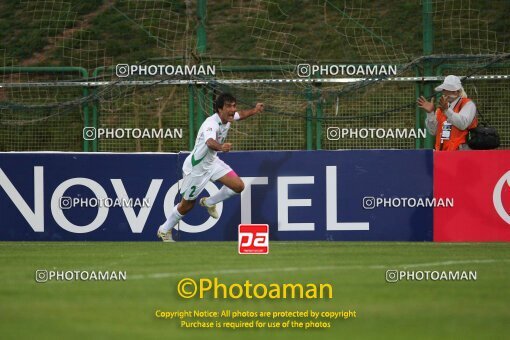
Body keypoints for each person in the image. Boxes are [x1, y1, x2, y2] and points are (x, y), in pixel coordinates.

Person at [157, 93, 264, 242]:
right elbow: (209, 142)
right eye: (228, 106)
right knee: (187, 206)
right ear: (219, 109)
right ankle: (164, 229)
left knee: (238, 186)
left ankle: (209, 202)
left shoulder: (228, 118)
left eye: (234, 106)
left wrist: (254, 110)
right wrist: (221, 147)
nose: (233, 109)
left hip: (212, 162)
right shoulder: (211, 123)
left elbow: (241, 114)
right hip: (197, 168)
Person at [417, 75, 478, 151]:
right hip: (442, 153)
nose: (445, 92)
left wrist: (447, 110)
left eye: (448, 89)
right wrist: (430, 113)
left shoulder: (467, 104)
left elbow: (463, 124)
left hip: (461, 153)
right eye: (444, 90)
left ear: (457, 91)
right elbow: (433, 131)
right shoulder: (441, 108)